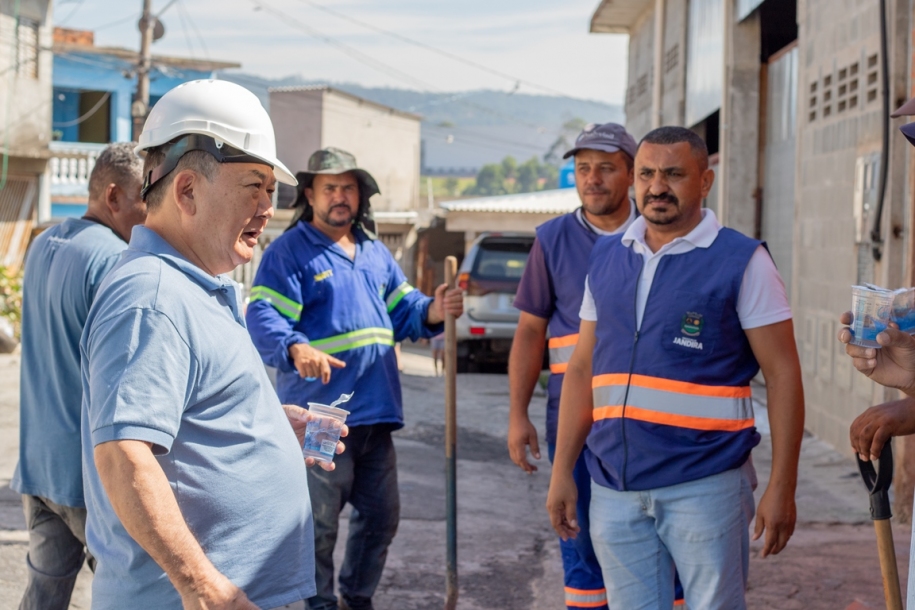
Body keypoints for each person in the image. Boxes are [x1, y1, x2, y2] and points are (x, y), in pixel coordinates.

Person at [80, 79, 345, 610]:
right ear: (187, 191)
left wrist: (266, 427)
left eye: (272, 191)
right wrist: (203, 587)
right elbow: (124, 456)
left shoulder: (192, 285)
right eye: (254, 185)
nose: (269, 208)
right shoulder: (153, 297)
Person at [546, 126, 805, 609]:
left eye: (673, 174)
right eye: (646, 174)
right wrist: (563, 471)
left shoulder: (742, 261)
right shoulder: (607, 256)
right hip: (614, 488)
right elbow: (581, 369)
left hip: (705, 487)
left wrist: (781, 487)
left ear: (705, 181)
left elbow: (784, 374)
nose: (657, 187)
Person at [245, 147, 464, 610]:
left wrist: (435, 310)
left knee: (382, 518)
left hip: (377, 412)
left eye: (349, 188)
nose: (341, 197)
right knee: (319, 524)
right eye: (331, 188)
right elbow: (262, 313)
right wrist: (295, 347)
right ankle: (318, 604)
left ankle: (356, 598)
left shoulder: (374, 252)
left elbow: (407, 309)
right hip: (322, 416)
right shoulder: (290, 253)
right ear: (310, 194)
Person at [509, 122, 642, 610]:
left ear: (631, 173)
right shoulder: (553, 239)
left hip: (645, 419)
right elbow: (529, 332)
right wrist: (518, 413)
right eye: (583, 168)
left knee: (652, 549)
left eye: (606, 168)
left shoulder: (660, 235)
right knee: (580, 542)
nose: (592, 179)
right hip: (574, 417)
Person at [9, 143, 145, 610]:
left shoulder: (44, 243)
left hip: (37, 466)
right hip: (88, 478)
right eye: (145, 199)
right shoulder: (115, 262)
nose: (152, 214)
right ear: (113, 197)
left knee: (43, 596)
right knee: (127, 596)